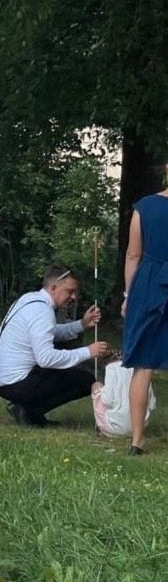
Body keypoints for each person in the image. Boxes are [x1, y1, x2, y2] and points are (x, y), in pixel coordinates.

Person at [0, 265, 109, 426]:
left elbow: (52, 332)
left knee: (64, 369)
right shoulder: (42, 311)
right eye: (70, 291)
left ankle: (26, 408)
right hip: (13, 383)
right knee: (85, 380)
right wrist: (88, 351)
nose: (73, 297)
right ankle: (28, 410)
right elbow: (46, 359)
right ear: (53, 287)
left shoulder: (29, 299)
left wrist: (82, 324)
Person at [121, 176, 168, 455]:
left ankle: (137, 441)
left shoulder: (144, 207)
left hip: (149, 287)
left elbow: (132, 255)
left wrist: (129, 296)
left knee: (143, 367)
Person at [92, 356, 156, 437]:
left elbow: (107, 400)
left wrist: (101, 392)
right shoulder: (142, 369)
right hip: (140, 427)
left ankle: (100, 426)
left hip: (114, 428)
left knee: (96, 386)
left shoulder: (111, 368)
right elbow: (152, 404)